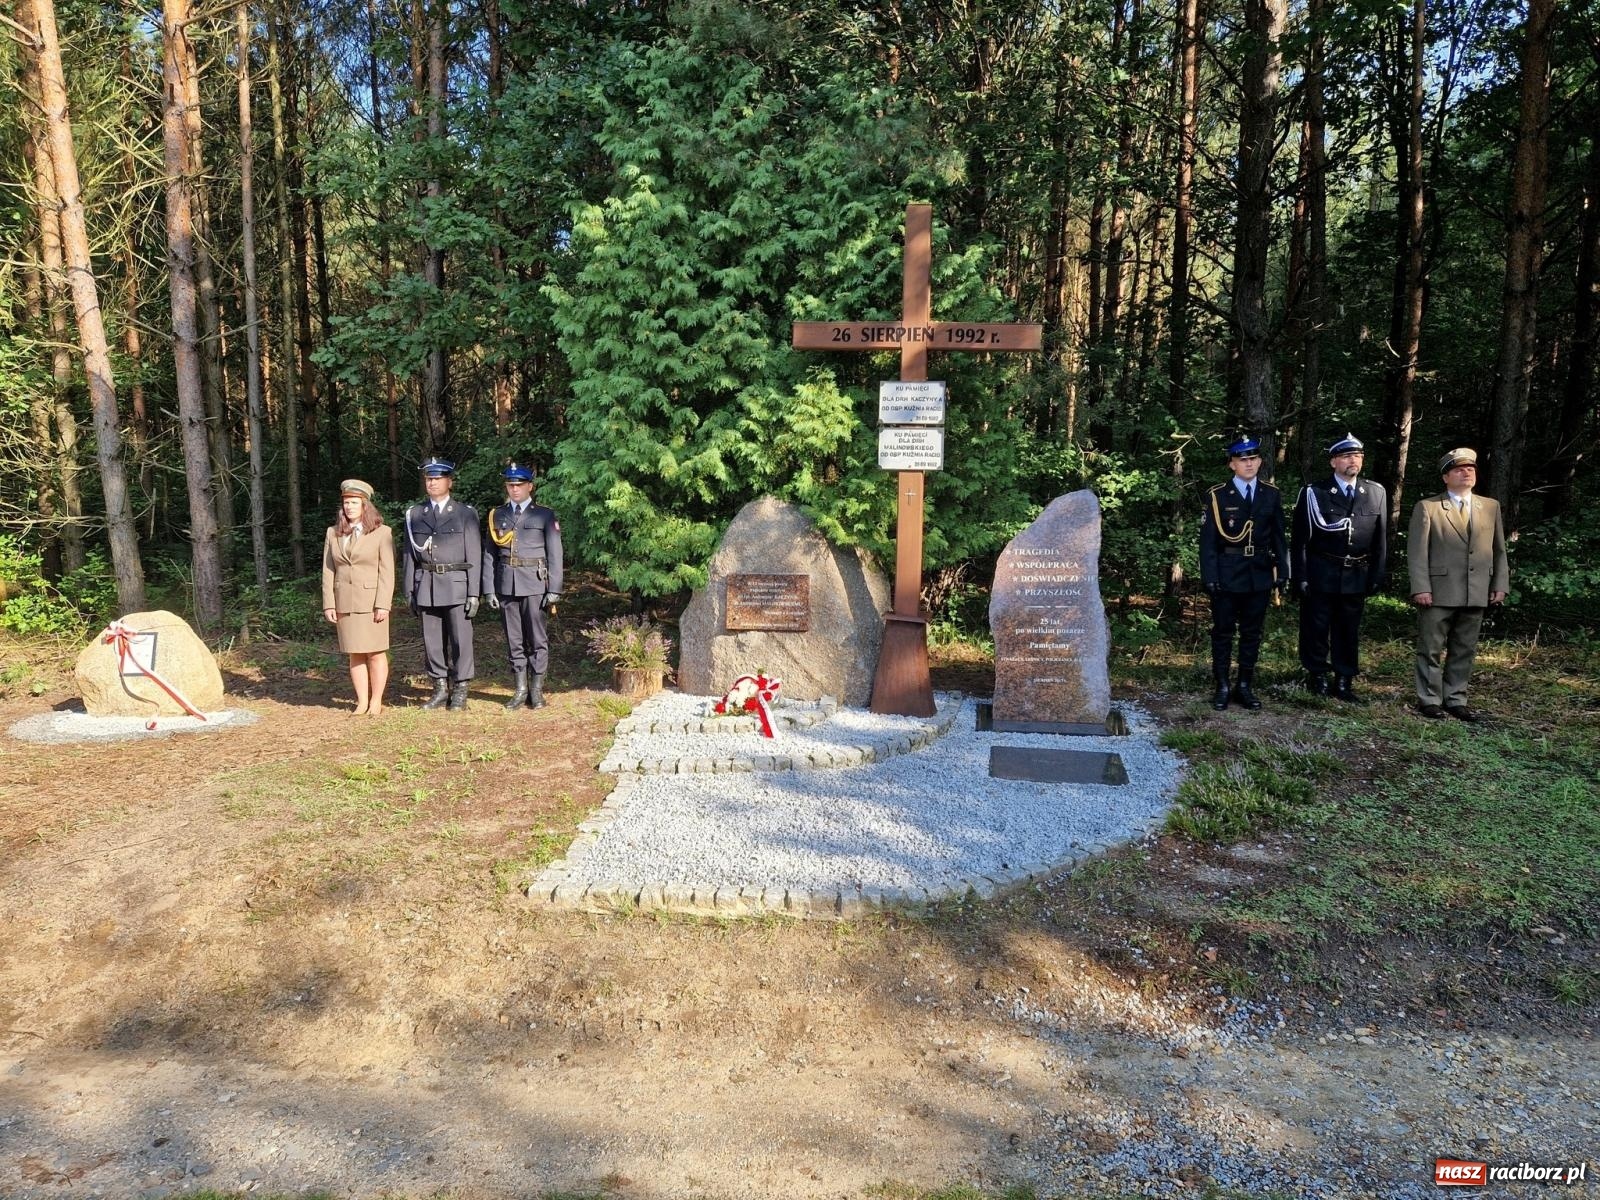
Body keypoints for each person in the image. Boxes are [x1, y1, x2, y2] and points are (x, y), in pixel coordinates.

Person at [1407, 448, 1509, 721]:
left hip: (1476, 590)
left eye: (1471, 469)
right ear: (1445, 477)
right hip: (1438, 591)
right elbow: (1417, 552)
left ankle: (1455, 698)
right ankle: (1429, 699)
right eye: (1459, 469)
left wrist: (1500, 584)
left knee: (1465, 647)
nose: (1467, 473)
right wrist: (1421, 587)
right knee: (1430, 647)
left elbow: (1499, 550)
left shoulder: (1490, 506)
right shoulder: (1428, 507)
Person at [1290, 433, 1388, 703]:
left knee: (1348, 629)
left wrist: (1377, 574)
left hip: (1356, 572)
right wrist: (1299, 576)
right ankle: (1318, 675)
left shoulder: (1375, 492)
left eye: (1357, 456)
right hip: (1322, 571)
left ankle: (1344, 679)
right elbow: (1299, 540)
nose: (1353, 461)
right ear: (1333, 461)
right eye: (1346, 456)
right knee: (1316, 627)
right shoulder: (1315, 492)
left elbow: (1380, 539)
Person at [1199, 435, 1287, 711]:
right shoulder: (1218, 496)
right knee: (1223, 632)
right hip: (1227, 573)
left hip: (1259, 574)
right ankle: (1223, 685)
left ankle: (1245, 685)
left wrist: (1282, 571)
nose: (1249, 464)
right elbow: (1208, 541)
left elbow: (1278, 537)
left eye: (1253, 459)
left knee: (1252, 633)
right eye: (1242, 460)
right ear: (1232, 464)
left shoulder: (1270, 494)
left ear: (1260, 461)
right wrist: (1210, 576)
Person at [482, 462, 564, 710]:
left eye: (519, 485)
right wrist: (488, 589)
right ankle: (520, 689)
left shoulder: (544, 515)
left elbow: (555, 553)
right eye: (510, 485)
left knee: (537, 638)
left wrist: (555, 588)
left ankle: (537, 690)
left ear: (530, 486)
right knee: (514, 639)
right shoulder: (497, 514)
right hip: (507, 583)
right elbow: (489, 555)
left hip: (535, 582)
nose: (514, 489)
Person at [401, 458, 482, 711]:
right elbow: (408, 556)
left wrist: (474, 593)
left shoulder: (464, 513)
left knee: (461, 640)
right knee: (432, 641)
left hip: (457, 584)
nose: (432, 482)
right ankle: (439, 687)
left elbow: (475, 555)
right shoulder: (415, 514)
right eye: (428, 478)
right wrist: (409, 591)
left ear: (449, 482)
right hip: (426, 584)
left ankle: (460, 689)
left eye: (437, 478)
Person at [321, 480, 395, 716]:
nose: (349, 507)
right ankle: (361, 701)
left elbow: (387, 571)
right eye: (346, 503)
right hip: (344, 602)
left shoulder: (382, 533)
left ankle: (376, 701)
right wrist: (329, 603)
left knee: (375, 652)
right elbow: (328, 570)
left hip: (371, 603)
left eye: (354, 502)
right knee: (355, 652)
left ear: (365, 506)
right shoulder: (333, 533)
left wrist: (383, 604)